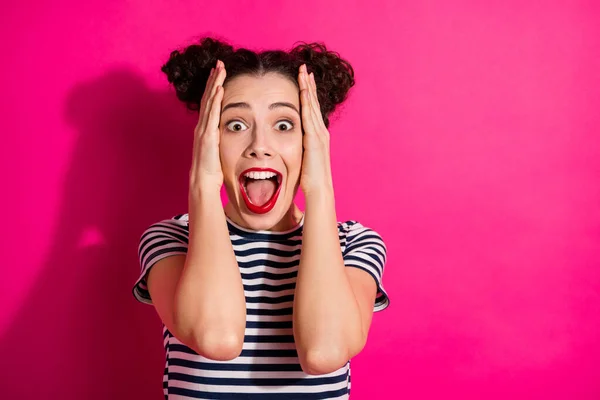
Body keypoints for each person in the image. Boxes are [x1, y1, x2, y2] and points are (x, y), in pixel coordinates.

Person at [132, 37, 390, 399]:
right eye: (235, 125)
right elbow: (216, 338)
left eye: (284, 125)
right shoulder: (173, 239)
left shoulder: (354, 243)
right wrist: (203, 183)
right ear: (209, 139)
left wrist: (320, 189)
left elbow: (324, 352)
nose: (259, 145)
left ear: (311, 140)